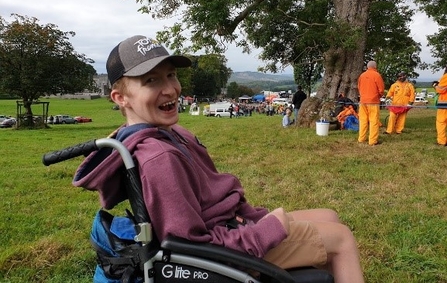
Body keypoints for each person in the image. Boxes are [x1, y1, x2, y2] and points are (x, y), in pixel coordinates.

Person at [73, 35, 364, 283]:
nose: (170, 88)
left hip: (231, 226)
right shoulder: (159, 156)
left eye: (171, 74)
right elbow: (188, 250)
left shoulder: (165, 133)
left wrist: (255, 218)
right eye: (151, 80)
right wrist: (267, 230)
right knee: (342, 239)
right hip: (223, 254)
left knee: (329, 217)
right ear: (120, 98)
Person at [357, 60, 385, 146]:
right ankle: (372, 141)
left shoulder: (362, 75)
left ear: (367, 67)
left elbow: (359, 87)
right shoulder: (377, 75)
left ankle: (361, 138)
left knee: (363, 120)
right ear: (375, 67)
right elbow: (381, 90)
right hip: (373, 101)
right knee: (373, 121)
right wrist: (378, 96)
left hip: (363, 101)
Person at [434, 67, 447, 146]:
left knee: (441, 122)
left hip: (445, 104)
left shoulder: (445, 76)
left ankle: (442, 141)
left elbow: (441, 89)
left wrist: (435, 86)